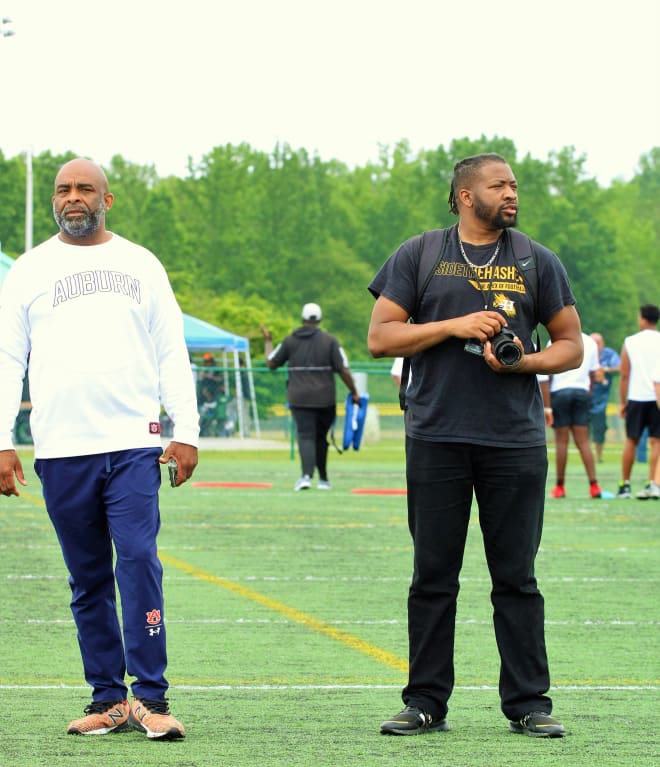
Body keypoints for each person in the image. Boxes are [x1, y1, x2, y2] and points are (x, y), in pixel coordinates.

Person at [368, 153, 583, 739]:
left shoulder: (537, 259)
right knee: (432, 575)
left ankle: (529, 703)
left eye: (513, 184)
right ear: (466, 195)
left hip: (513, 440)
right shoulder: (421, 253)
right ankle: (424, 702)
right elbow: (381, 335)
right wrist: (454, 326)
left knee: (516, 576)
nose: (511, 193)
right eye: (499, 185)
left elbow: (572, 345)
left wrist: (527, 364)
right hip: (436, 436)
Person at [0, 159, 199, 739]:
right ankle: (108, 698)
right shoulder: (31, 269)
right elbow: (9, 359)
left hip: (134, 445)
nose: (73, 197)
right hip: (61, 449)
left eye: (85, 188)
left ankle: (152, 699)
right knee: (87, 578)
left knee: (138, 560)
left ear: (108, 198)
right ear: (55, 201)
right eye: (63, 189)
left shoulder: (140, 263)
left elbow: (171, 350)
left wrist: (184, 429)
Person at [261, 303, 360, 490]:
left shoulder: (290, 340)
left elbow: (271, 363)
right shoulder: (330, 341)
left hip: (299, 399)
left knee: (305, 436)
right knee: (321, 438)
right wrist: (354, 392)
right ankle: (323, 480)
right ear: (320, 320)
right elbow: (343, 369)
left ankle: (306, 476)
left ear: (302, 319)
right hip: (325, 399)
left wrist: (268, 342)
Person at [539, 332, 602, 498]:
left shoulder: (554, 340)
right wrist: (588, 394)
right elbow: (593, 374)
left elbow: (545, 375)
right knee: (583, 441)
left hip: (560, 393)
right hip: (581, 392)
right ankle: (594, 485)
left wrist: (547, 406)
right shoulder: (590, 342)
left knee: (562, 442)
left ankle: (560, 487)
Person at [616, 304, 660, 499]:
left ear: (642, 319)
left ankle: (625, 485)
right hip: (657, 396)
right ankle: (653, 483)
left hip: (636, 396)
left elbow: (624, 374)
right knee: (656, 442)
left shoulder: (631, 341)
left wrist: (622, 401)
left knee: (631, 441)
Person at [589, 333, 621, 462]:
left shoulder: (609, 354)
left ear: (603, 343)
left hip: (601, 400)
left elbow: (619, 367)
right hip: (584, 396)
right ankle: (586, 455)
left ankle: (599, 456)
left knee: (599, 428)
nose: (596, 346)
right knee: (582, 427)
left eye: (598, 343)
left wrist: (605, 370)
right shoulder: (584, 352)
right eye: (594, 343)